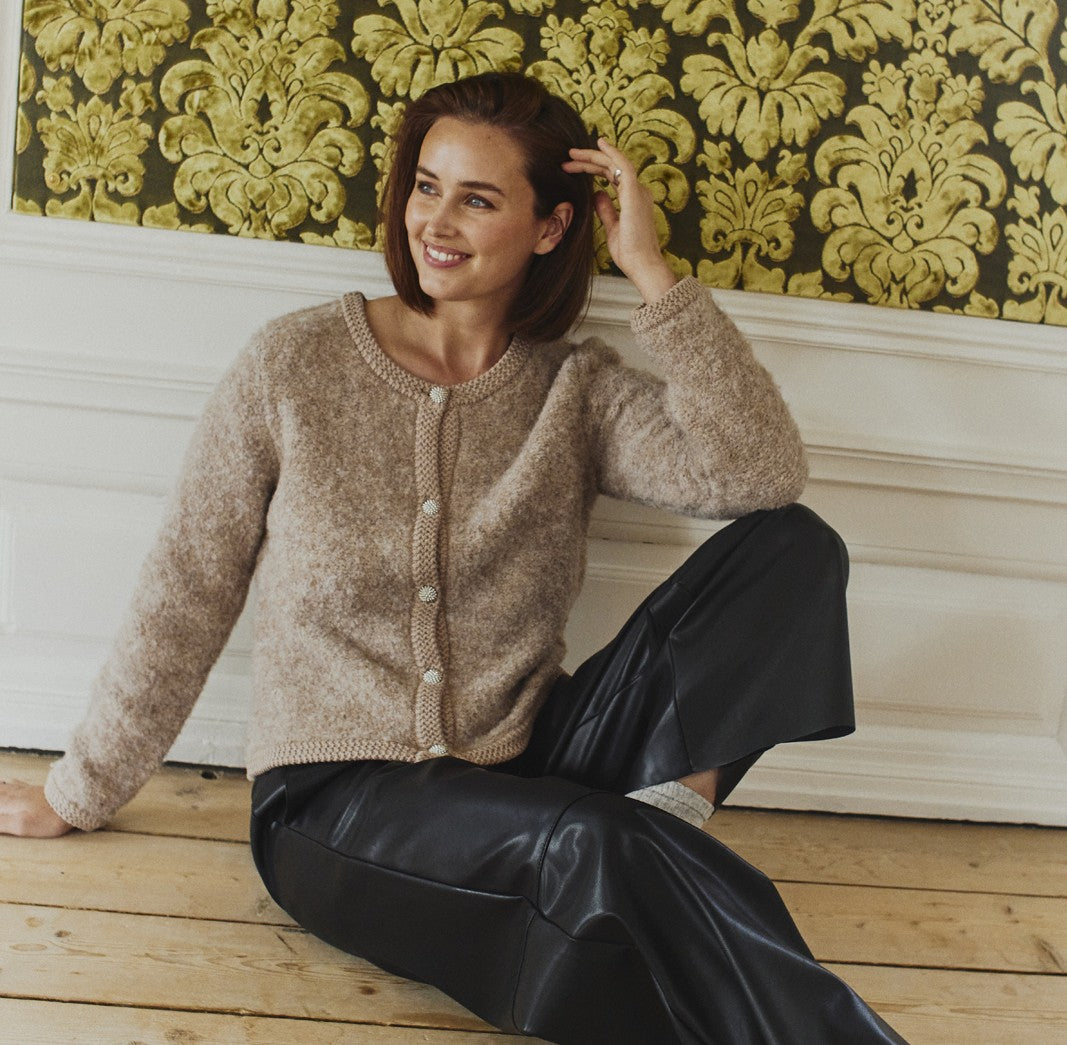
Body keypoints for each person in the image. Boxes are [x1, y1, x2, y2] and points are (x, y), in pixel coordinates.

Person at [0, 72, 906, 1044]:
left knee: (790, 548)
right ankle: (646, 884)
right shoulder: (292, 364)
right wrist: (77, 790)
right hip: (336, 803)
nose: (435, 220)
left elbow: (759, 471)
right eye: (426, 187)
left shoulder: (574, 390)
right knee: (596, 840)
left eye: (476, 199)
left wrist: (651, 273)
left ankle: (646, 839)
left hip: (528, 759)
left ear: (550, 227)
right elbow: (187, 586)